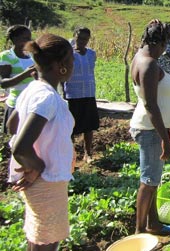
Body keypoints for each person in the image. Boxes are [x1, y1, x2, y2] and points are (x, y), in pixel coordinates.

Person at [7, 33, 75, 251]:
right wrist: (38, 166)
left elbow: (12, 125)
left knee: (38, 236)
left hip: (42, 181)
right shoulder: (47, 98)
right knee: (47, 240)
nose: (73, 66)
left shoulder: (33, 89)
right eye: (72, 61)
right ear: (60, 65)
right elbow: (21, 147)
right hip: (47, 180)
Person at [129, 19, 170, 234]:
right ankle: (139, 233)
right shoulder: (149, 64)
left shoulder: (141, 57)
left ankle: (153, 223)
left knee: (153, 181)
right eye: (164, 46)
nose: (164, 51)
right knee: (148, 182)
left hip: (151, 128)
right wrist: (166, 141)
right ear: (159, 43)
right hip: (151, 130)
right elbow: (151, 105)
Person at [63, 27, 100, 163]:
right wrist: (63, 93)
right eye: (79, 38)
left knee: (89, 126)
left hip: (88, 93)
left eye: (85, 39)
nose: (82, 41)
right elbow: (63, 73)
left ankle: (87, 153)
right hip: (72, 94)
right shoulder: (68, 54)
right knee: (70, 127)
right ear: (74, 37)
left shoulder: (91, 54)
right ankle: (70, 155)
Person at [0, 25, 36, 133]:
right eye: (25, 38)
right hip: (16, 105)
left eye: (30, 38)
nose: (29, 41)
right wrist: (26, 73)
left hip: (32, 104)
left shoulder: (31, 56)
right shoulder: (7, 56)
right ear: (15, 39)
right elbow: (3, 83)